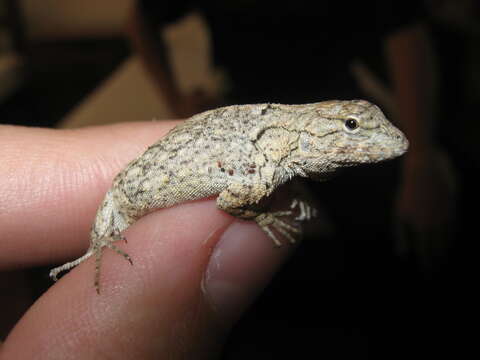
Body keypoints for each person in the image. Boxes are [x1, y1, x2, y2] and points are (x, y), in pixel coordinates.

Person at [127, 0, 456, 274]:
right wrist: (174, 99)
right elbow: (142, 18)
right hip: (245, 114)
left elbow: (406, 32)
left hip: (336, 108)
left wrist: (421, 158)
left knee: (398, 240)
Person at [0, 121, 305, 358]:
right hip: (121, 201)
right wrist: (262, 217)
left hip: (136, 195)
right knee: (104, 259)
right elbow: (227, 202)